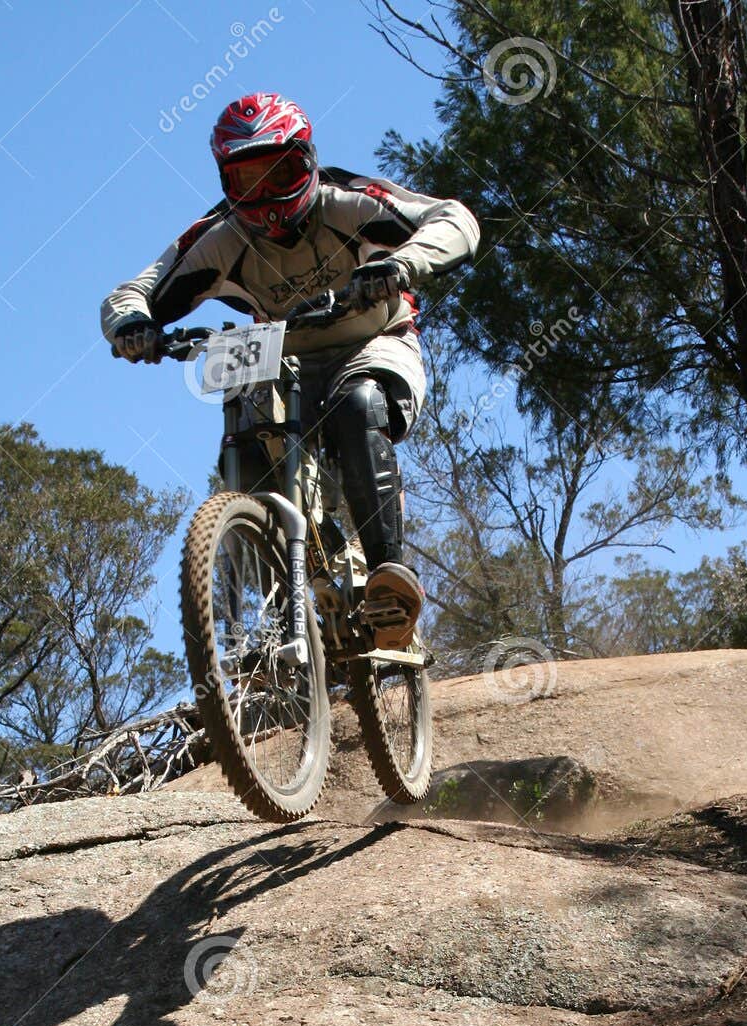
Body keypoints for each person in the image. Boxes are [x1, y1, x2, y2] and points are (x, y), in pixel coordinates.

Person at [101, 92, 479, 647]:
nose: (265, 195)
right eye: (247, 180)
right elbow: (133, 291)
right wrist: (133, 325)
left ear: (306, 160)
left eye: (277, 173)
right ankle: (282, 616)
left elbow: (456, 220)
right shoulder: (220, 238)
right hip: (285, 354)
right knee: (249, 444)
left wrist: (400, 264)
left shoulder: (348, 202)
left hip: (374, 340)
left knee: (356, 405)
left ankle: (389, 583)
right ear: (225, 181)